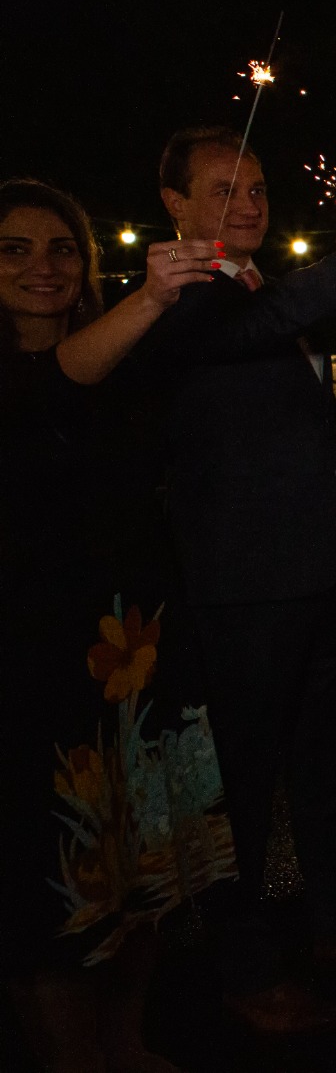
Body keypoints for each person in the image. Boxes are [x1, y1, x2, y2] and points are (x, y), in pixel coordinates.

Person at [127, 128, 336, 1034]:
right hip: (239, 587)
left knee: (329, 763)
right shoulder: (181, 296)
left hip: (319, 567)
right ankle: (242, 971)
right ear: (174, 203)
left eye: (259, 188)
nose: (248, 203)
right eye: (224, 187)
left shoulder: (262, 293)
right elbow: (262, 328)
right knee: (240, 786)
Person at [0, 180, 234, 1073]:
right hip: (33, 669)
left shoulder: (125, 366)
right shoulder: (31, 374)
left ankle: (127, 1041)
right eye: (14, 249)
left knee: (142, 868)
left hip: (133, 656)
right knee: (52, 880)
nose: (43, 266)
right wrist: (152, 297)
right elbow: (50, 387)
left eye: (61, 247)